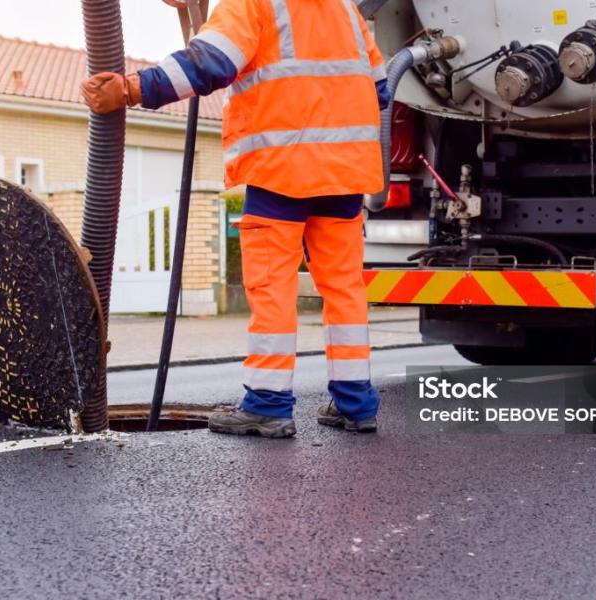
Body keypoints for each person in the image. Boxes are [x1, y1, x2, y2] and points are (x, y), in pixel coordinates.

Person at [81, 0, 390, 438]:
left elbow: (210, 62)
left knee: (272, 289)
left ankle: (268, 405)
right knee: (344, 290)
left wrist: (132, 88)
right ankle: (356, 404)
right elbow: (379, 89)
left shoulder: (255, 2)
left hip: (281, 171)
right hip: (346, 174)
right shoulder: (345, 11)